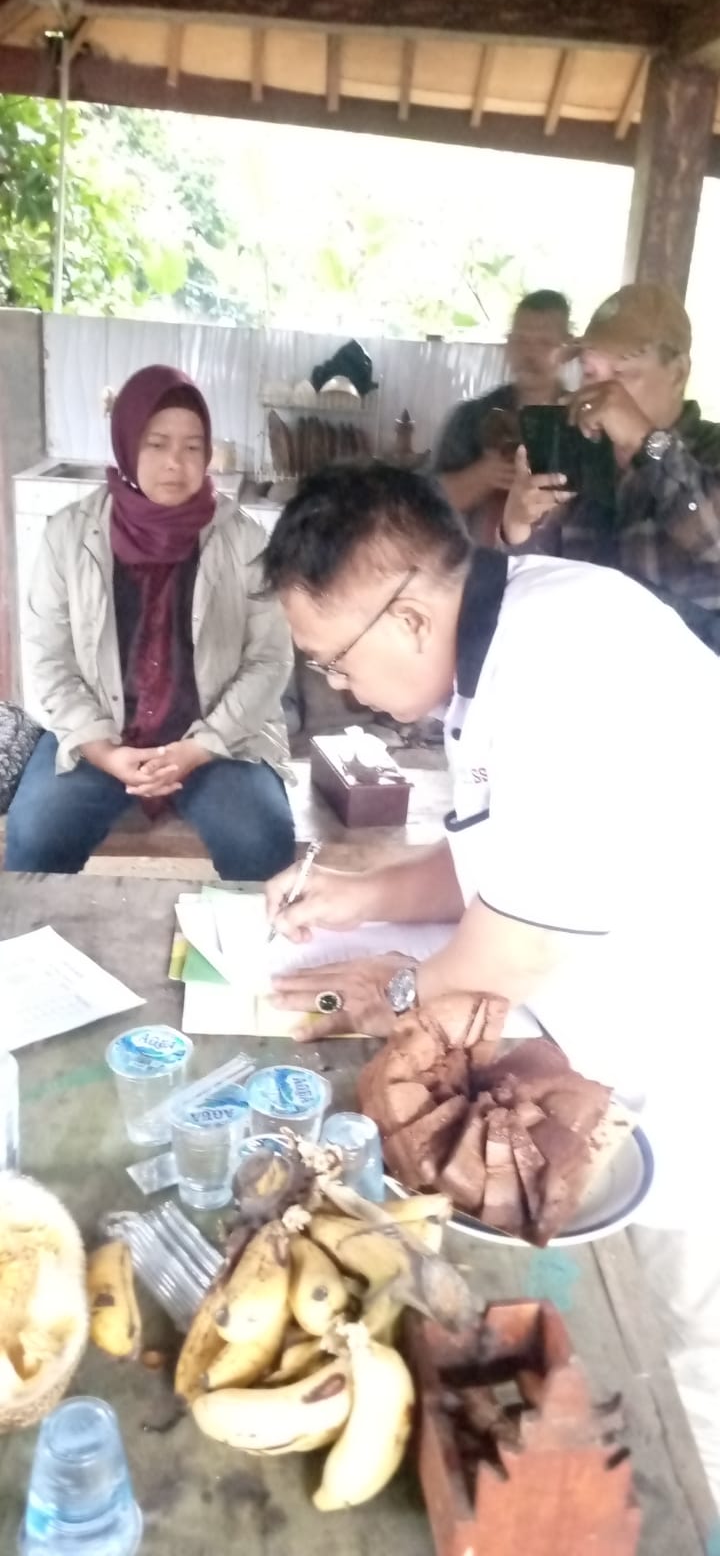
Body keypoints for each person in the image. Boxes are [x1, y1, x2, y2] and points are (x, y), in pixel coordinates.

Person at [260, 460, 720, 1507]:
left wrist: (382, 995)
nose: (338, 685)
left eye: (335, 659)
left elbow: (509, 954)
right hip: (618, 1029)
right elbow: (492, 860)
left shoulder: (563, 664)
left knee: (691, 1348)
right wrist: (357, 895)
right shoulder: (503, 643)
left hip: (696, 1044)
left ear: (409, 617)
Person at [5, 365, 296, 880]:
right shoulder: (68, 536)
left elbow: (270, 660)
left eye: (192, 446)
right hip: (97, 732)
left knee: (260, 836)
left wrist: (199, 747)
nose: (175, 463)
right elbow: (49, 659)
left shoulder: (244, 540)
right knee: (36, 833)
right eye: (157, 444)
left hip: (217, 739)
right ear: (126, 445)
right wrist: (102, 750)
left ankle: (244, 935)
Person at [501, 282, 720, 648]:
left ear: (678, 373)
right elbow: (538, 585)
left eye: (621, 374)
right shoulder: (578, 452)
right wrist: (518, 527)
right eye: (590, 373)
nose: (603, 393)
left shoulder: (711, 451)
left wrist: (644, 442)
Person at [435, 289, 572, 537]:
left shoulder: (583, 422)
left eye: (544, 343)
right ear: (508, 344)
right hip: (480, 557)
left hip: (562, 559)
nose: (529, 354)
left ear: (568, 349)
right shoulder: (470, 418)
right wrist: (484, 475)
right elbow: (431, 503)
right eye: (521, 340)